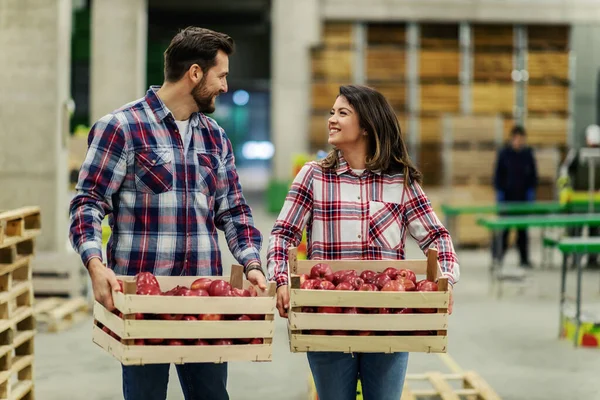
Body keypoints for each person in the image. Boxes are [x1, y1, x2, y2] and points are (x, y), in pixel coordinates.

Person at [68, 27, 267, 400]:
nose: (225, 86)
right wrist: (95, 265)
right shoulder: (121, 128)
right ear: (195, 73)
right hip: (143, 303)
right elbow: (88, 203)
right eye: (221, 75)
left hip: (204, 302)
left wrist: (252, 264)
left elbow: (235, 211)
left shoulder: (215, 138)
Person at [266, 84, 459, 400]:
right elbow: (283, 233)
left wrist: (447, 280)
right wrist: (282, 279)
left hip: (388, 320)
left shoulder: (400, 180)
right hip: (327, 318)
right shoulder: (313, 176)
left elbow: (437, 236)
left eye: (342, 113)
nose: (332, 119)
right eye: (332, 112)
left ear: (367, 126)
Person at [492, 125, 538, 268]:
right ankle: (498, 259)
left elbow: (533, 175)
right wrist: (500, 192)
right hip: (507, 198)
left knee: (522, 231)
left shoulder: (528, 155)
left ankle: (524, 259)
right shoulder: (504, 154)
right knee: (505, 230)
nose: (519, 141)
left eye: (521, 139)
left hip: (522, 199)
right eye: (516, 138)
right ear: (512, 139)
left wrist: (531, 191)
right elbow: (497, 175)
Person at [558, 124, 600, 269]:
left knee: (596, 230)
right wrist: (565, 190)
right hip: (578, 200)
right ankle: (574, 259)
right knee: (575, 230)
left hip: (596, 202)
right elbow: (564, 171)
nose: (594, 148)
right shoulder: (577, 153)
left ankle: (593, 259)